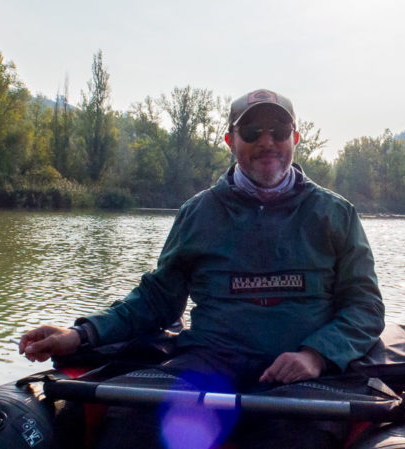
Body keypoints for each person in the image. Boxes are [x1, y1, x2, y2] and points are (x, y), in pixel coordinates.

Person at [19, 89, 385, 448]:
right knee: (129, 429)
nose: (267, 141)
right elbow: (156, 300)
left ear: (296, 138)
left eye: (279, 130)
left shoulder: (336, 214)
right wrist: (81, 334)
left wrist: (316, 355)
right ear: (230, 140)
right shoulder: (197, 213)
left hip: (300, 378)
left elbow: (365, 307)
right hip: (208, 364)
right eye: (252, 132)